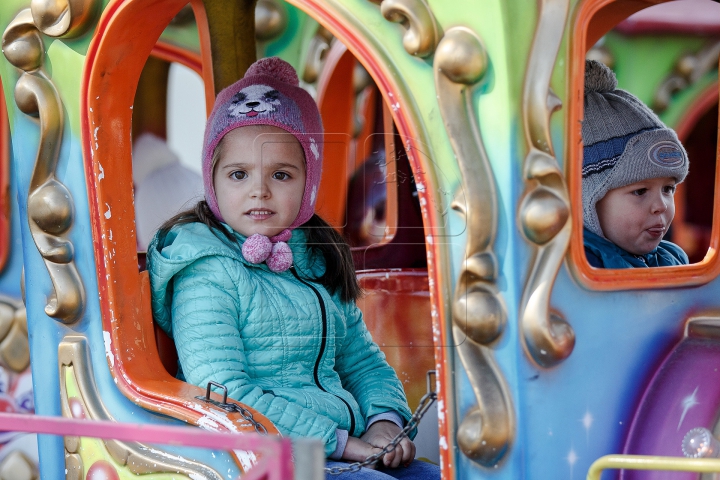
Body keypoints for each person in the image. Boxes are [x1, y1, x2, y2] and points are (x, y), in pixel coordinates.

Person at [147, 57, 439, 479]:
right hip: (259, 454)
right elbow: (226, 393)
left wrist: (384, 423)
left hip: (336, 446)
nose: (259, 190)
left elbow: (362, 361)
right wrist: (342, 443)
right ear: (213, 181)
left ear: (309, 184)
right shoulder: (205, 269)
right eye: (238, 174)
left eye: (281, 174)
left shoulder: (314, 257)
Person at [582, 60, 690, 268]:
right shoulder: (583, 267)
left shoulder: (673, 258)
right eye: (640, 191)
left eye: (668, 189)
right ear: (588, 199)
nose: (661, 206)